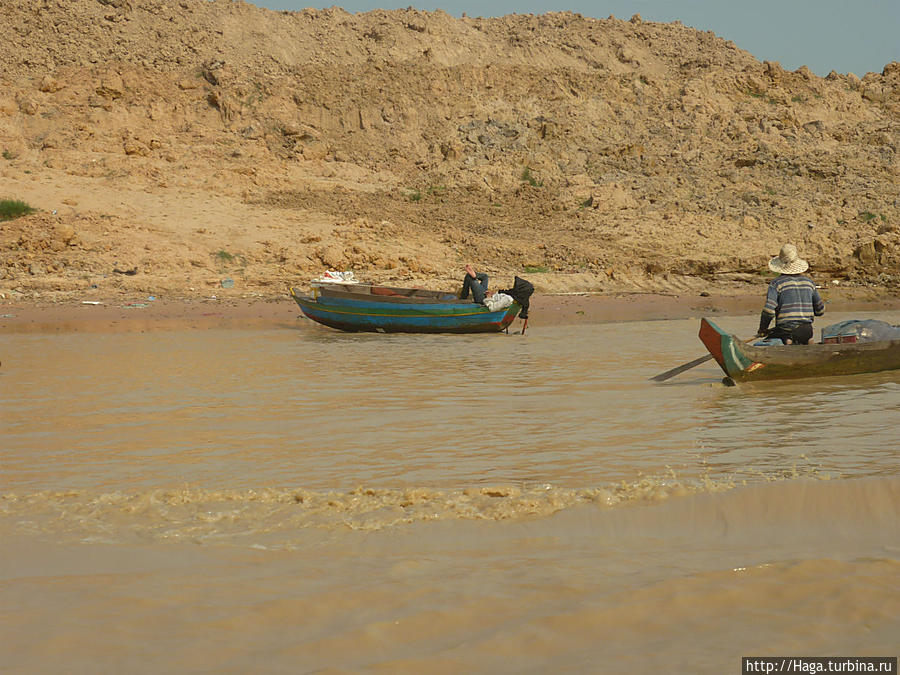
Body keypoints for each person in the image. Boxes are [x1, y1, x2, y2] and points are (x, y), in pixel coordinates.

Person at [757, 243, 825, 345]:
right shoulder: (809, 283)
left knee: (769, 340)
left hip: (787, 332)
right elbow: (820, 310)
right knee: (808, 339)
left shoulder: (776, 283)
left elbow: (769, 311)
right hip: (807, 331)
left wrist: (763, 329)